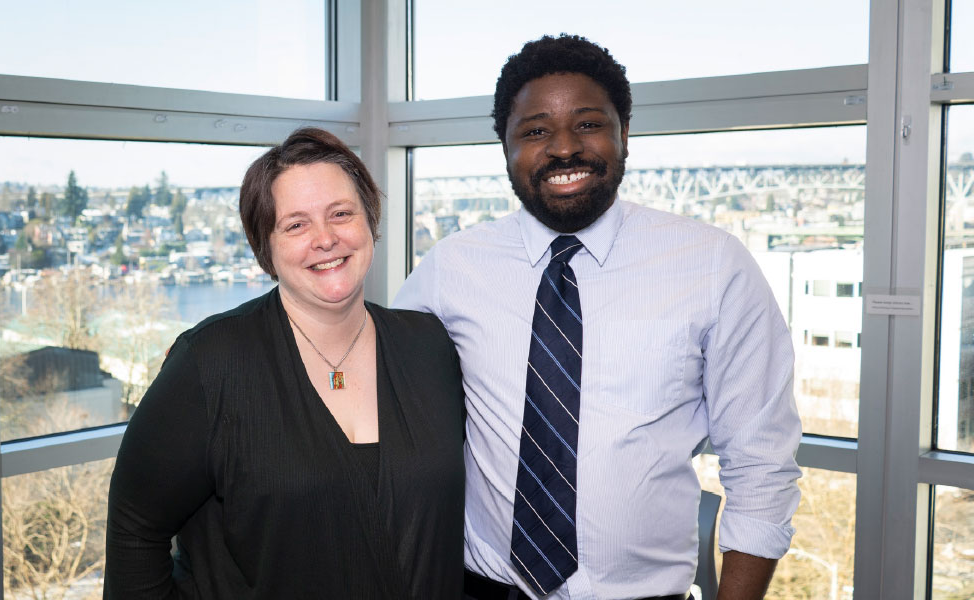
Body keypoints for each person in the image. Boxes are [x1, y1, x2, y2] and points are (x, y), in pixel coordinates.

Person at [394, 35, 802, 600]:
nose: (563, 149)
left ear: (624, 133)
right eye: (535, 131)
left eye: (587, 124)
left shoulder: (712, 264)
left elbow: (762, 465)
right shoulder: (451, 269)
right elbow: (372, 386)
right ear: (505, 148)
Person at [104, 127, 465, 599]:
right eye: (296, 225)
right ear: (265, 247)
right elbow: (135, 528)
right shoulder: (210, 363)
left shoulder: (430, 346)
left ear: (370, 221)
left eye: (341, 214)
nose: (325, 239)